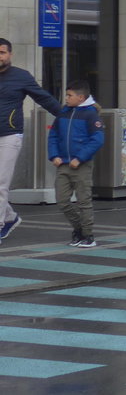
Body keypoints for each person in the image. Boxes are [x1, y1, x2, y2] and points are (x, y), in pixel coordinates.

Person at [0, 38, 62, 245]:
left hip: (9, 135)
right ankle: (10, 217)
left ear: (10, 54)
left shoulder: (21, 76)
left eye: (2, 52)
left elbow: (44, 99)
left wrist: (68, 117)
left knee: (0, 184)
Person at [48, 80, 104, 247]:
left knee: (83, 201)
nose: (66, 98)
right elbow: (53, 136)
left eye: (69, 95)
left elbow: (98, 139)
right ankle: (79, 229)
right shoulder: (63, 113)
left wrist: (80, 158)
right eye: (66, 95)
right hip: (63, 164)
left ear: (81, 97)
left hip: (81, 165)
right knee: (62, 200)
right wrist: (54, 155)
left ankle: (88, 235)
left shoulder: (91, 115)